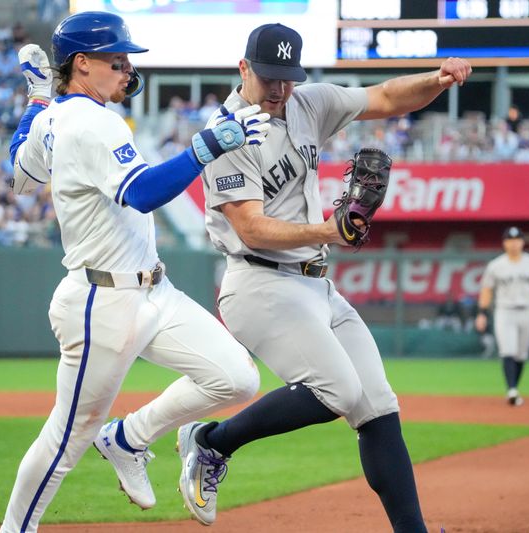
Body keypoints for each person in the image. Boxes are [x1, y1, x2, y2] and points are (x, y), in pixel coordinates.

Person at [175, 22, 472, 532]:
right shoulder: (225, 132)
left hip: (315, 283)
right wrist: (329, 230)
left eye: (287, 77)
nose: (279, 89)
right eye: (269, 77)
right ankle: (210, 442)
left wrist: (437, 79)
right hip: (258, 283)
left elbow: (383, 96)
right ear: (244, 68)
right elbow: (249, 228)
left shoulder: (306, 103)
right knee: (338, 390)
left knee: (377, 405)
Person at [0, 11, 272, 532]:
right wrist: (208, 144)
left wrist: (37, 100)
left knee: (236, 378)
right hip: (101, 302)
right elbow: (143, 194)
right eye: (116, 60)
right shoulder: (90, 121)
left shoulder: (59, 116)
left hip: (152, 289)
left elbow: (21, 168)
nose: (127, 69)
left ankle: (128, 438)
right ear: (82, 64)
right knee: (67, 436)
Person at [475, 226, 529, 406]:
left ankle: (513, 388)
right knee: (507, 350)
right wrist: (482, 313)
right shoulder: (496, 265)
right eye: (510, 240)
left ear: (522, 242)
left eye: (517, 239)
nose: (513, 243)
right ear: (504, 243)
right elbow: (486, 290)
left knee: (521, 354)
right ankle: (512, 390)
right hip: (504, 311)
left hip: (527, 311)